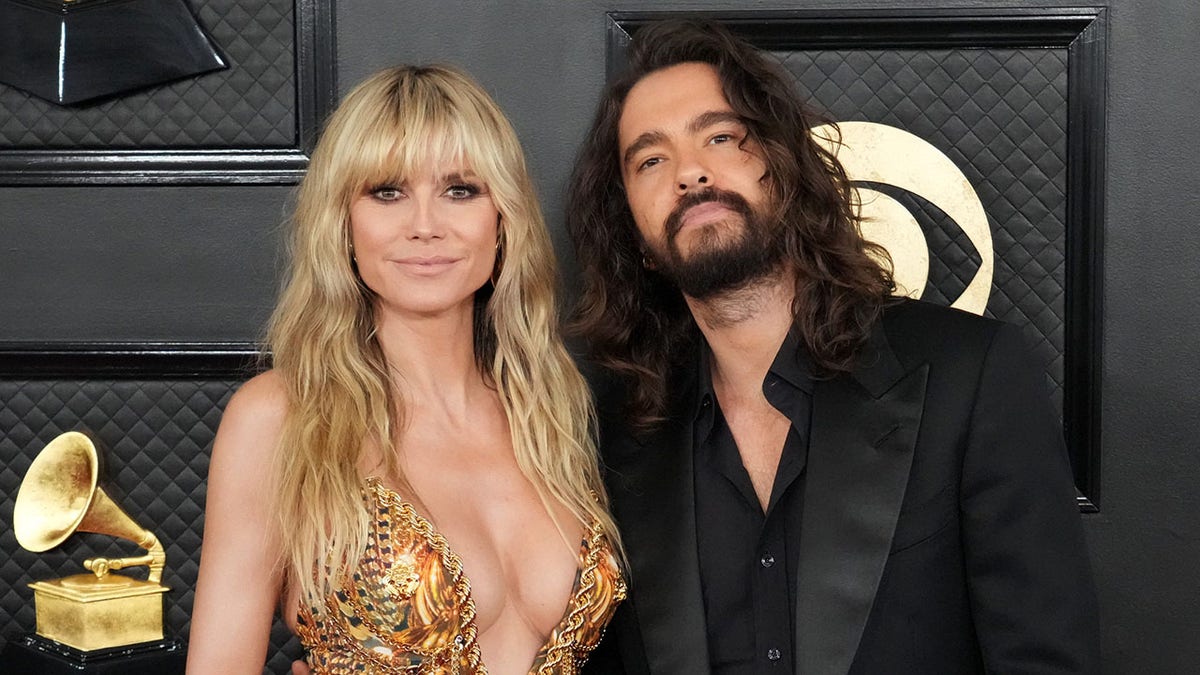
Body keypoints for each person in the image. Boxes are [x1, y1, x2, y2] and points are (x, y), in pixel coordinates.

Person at [567, 20, 1099, 674]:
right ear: (633, 234)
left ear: (784, 163)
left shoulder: (972, 375)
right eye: (651, 160)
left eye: (721, 137)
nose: (690, 172)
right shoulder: (614, 443)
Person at [188, 65, 625, 674]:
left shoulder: (549, 408)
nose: (425, 226)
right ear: (343, 223)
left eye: (460, 190)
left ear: (502, 220)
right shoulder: (281, 417)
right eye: (387, 192)